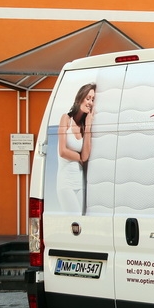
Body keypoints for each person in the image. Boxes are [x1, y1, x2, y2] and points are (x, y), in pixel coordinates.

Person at [56, 83, 95, 214]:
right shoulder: (66, 119)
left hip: (80, 183)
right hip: (65, 183)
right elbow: (62, 151)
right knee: (74, 219)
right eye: (88, 98)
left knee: (81, 220)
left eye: (92, 100)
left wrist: (88, 126)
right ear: (80, 97)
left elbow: (86, 156)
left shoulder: (84, 127)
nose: (90, 102)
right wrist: (80, 158)